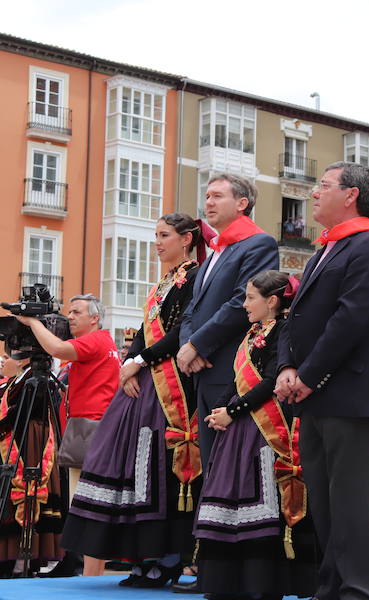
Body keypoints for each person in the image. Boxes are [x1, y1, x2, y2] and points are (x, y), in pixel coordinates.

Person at [62, 213, 208, 587]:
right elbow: (144, 330)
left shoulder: (194, 278)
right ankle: (143, 555)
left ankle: (166, 556)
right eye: (155, 235)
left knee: (158, 464)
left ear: (187, 239)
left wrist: (140, 361)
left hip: (171, 384)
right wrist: (130, 363)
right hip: (144, 383)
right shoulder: (163, 282)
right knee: (134, 465)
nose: (157, 242)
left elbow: (180, 332)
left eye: (164, 235)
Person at [275, 161, 369, 600]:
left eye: (323, 185)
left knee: (354, 506)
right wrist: (287, 366)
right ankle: (332, 589)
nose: (313, 193)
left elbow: (352, 319)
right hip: (316, 396)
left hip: (349, 394)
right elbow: (294, 317)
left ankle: (360, 592)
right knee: (325, 505)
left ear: (350, 196)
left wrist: (306, 375)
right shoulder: (324, 249)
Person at [175, 173, 278, 594]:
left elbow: (241, 303)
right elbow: (193, 308)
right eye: (207, 195)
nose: (208, 201)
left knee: (230, 470)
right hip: (203, 368)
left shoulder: (257, 244)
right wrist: (187, 345)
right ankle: (213, 568)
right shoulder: (214, 251)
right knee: (212, 470)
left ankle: (232, 571)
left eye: (218, 195)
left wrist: (198, 343)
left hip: (231, 371)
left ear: (243, 203)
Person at [195, 270, 316, 599]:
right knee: (230, 498)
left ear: (272, 301)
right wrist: (219, 409)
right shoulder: (253, 332)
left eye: (251, 298)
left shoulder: (285, 331)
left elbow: (270, 380)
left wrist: (233, 412)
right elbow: (237, 379)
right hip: (240, 424)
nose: (245, 304)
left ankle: (260, 582)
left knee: (261, 498)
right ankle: (229, 580)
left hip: (263, 426)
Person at [16, 293, 120, 577]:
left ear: (94, 318)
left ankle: (91, 574)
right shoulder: (103, 343)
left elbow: (57, 349)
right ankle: (90, 573)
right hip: (91, 427)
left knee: (87, 505)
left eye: (76, 312)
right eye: (68, 312)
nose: (69, 317)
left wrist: (32, 322)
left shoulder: (96, 340)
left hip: (90, 428)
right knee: (88, 504)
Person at [0, 348, 64, 575]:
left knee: (28, 493)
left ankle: (25, 559)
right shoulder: (16, 380)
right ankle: (11, 557)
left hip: (28, 440)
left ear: (24, 361)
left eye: (8, 357)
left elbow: (18, 412)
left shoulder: (34, 379)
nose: (3, 362)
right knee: (11, 496)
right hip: (17, 437)